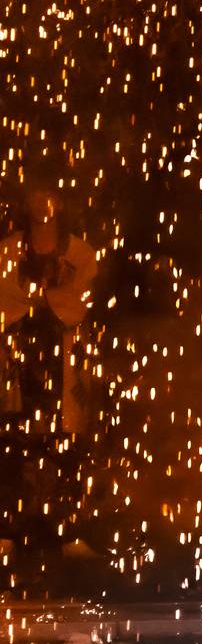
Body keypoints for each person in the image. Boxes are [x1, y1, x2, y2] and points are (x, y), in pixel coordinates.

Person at [0, 189, 99, 555]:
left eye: (49, 196)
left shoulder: (79, 253)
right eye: (36, 196)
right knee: (13, 440)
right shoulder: (9, 250)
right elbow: (6, 298)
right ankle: (7, 530)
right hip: (19, 354)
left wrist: (48, 300)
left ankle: (68, 530)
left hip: (63, 354)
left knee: (66, 443)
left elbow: (82, 299)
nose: (42, 204)